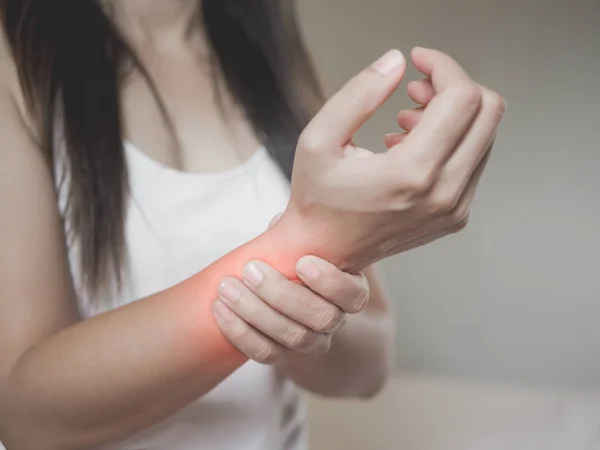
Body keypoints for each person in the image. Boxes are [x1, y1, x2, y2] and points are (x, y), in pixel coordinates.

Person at [0, 1, 505, 449]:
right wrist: (299, 250)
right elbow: (23, 417)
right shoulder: (15, 54)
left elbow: (371, 362)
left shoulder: (275, 59)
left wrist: (300, 327)